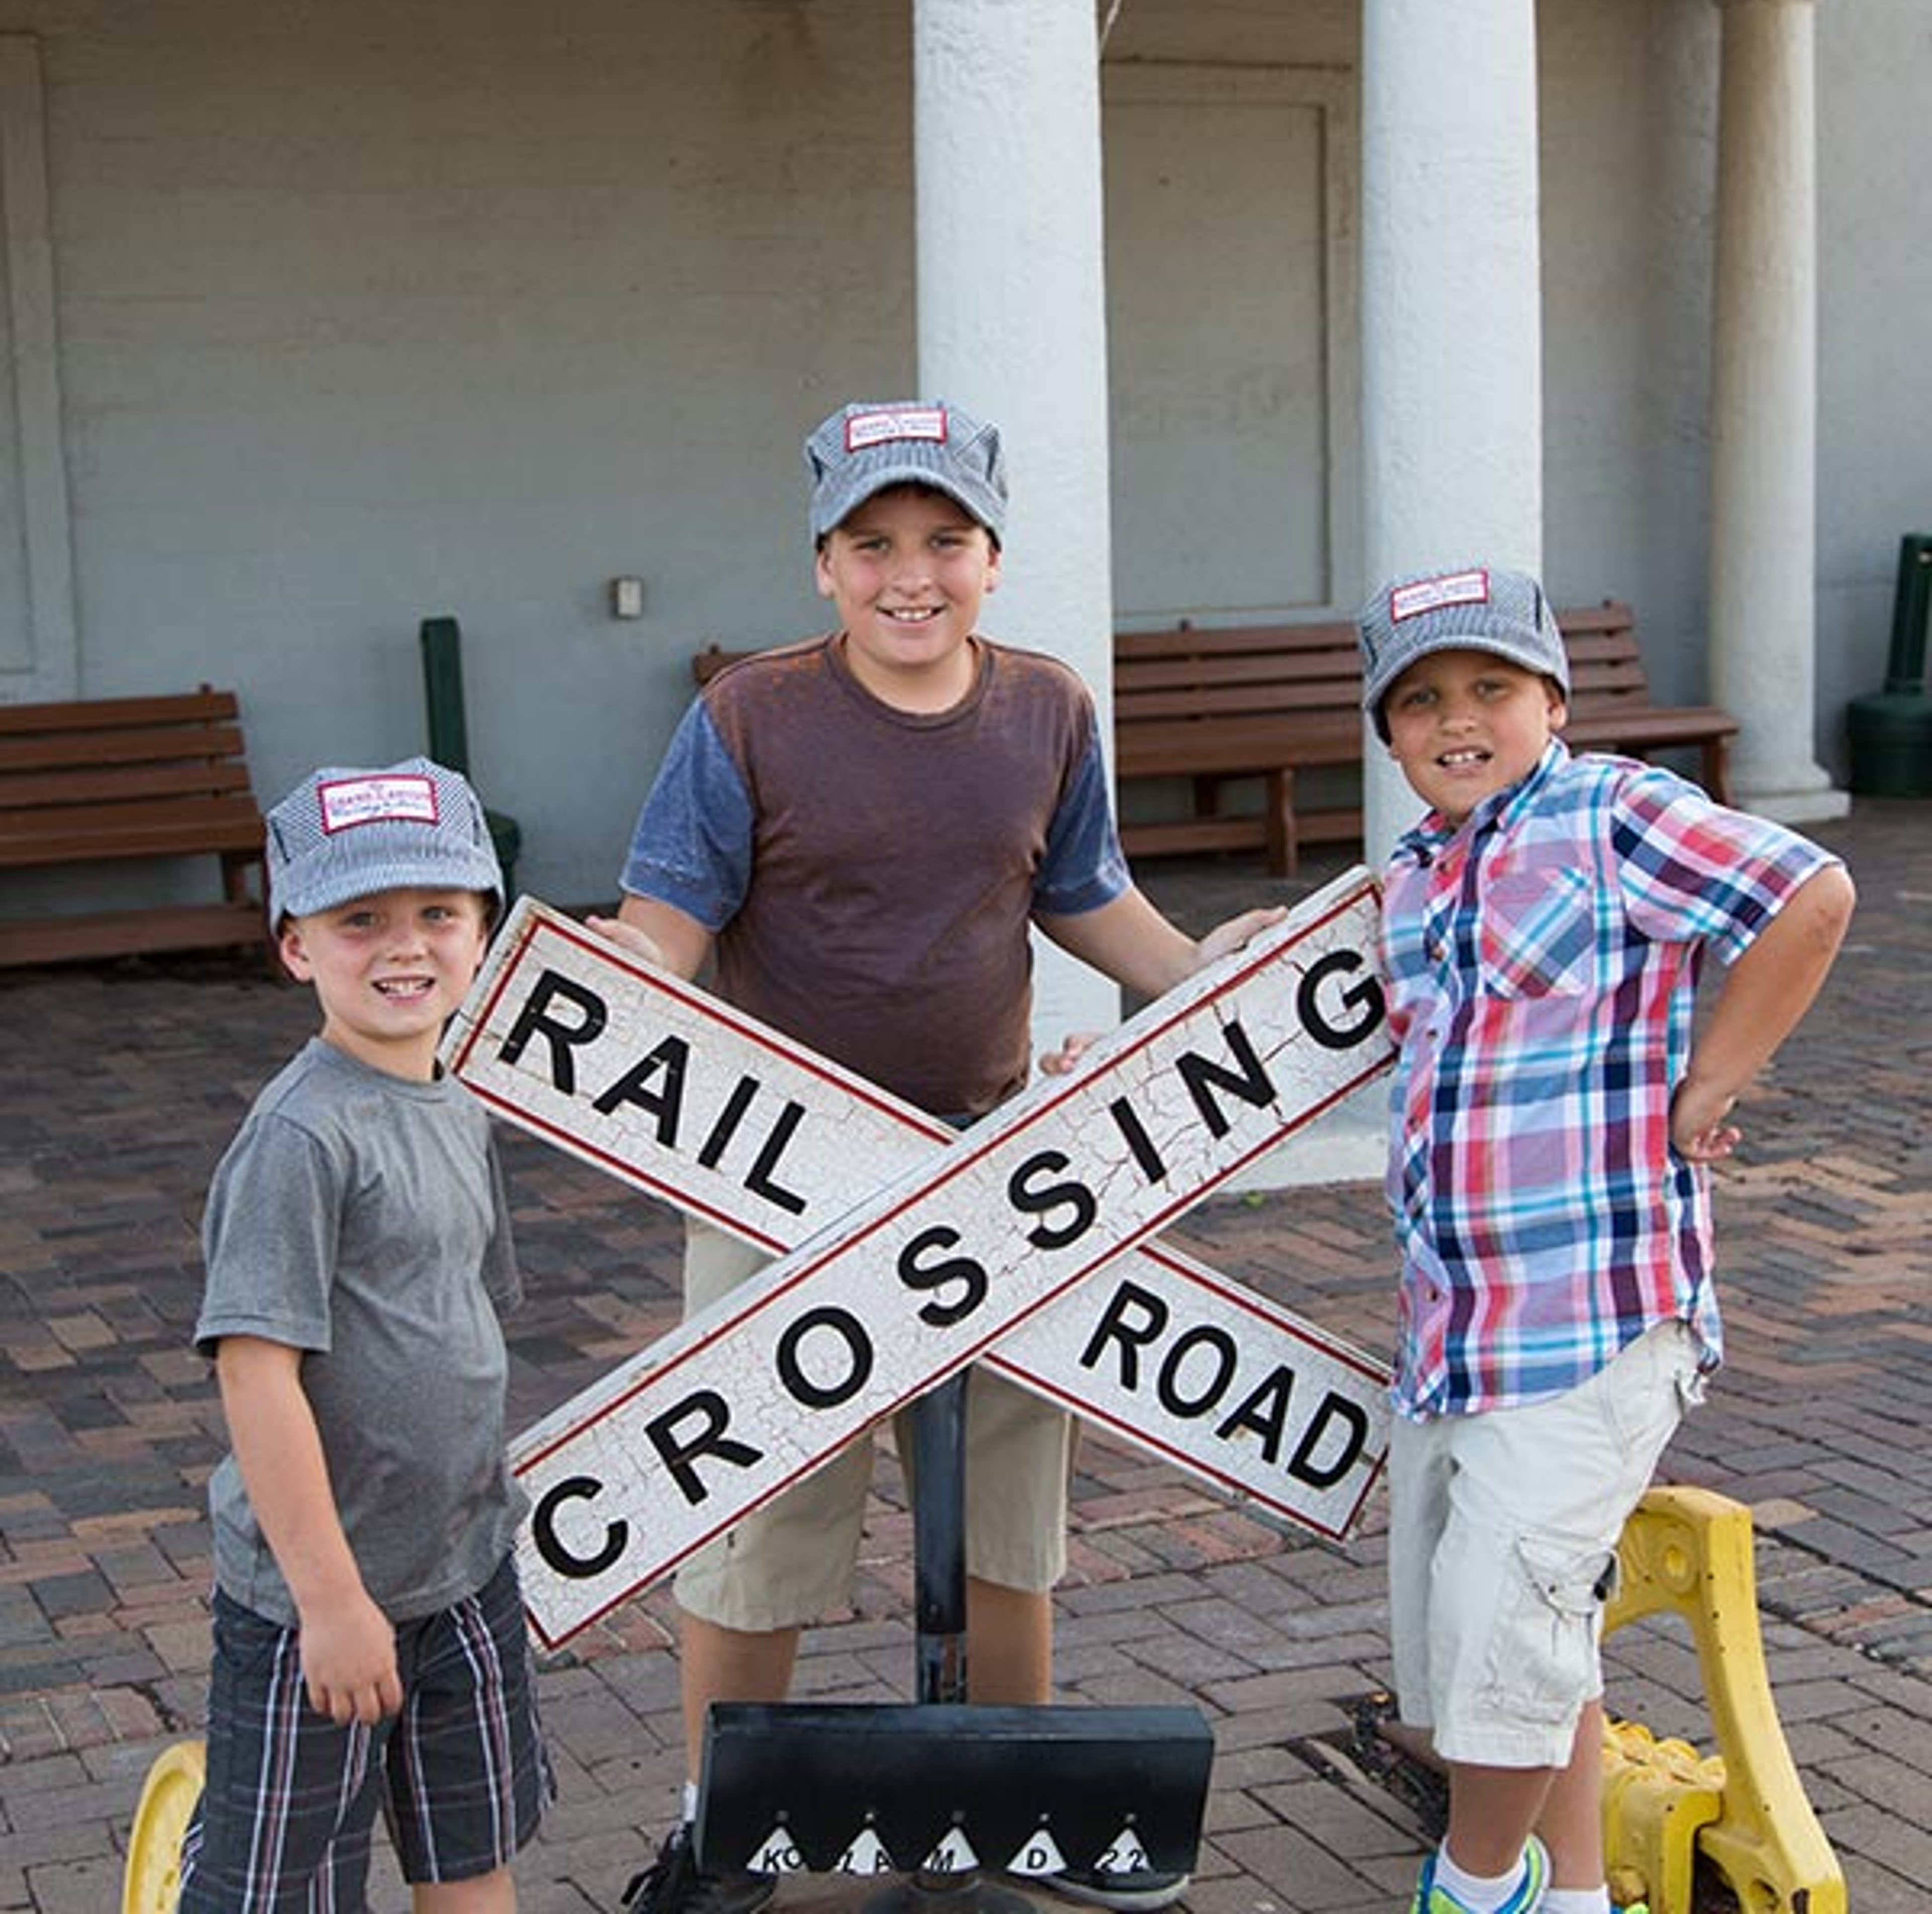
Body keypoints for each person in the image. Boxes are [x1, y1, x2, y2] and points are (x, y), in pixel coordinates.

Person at [602, 398, 1283, 1914]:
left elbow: (1084, 895)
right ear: (824, 566)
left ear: (990, 558)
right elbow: (669, 918)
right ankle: (721, 1828)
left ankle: (1017, 1801)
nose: (911, 574)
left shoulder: (1047, 707)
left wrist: (1203, 978)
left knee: (1003, 1507)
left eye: (944, 542)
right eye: (873, 545)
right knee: (758, 1503)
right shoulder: (746, 718)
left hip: (996, 1175)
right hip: (776, 1176)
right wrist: (619, 985)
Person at [1355, 566, 1856, 1914]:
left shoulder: (1609, 813)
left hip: (1591, 1319)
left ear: (1553, 701)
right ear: (1390, 735)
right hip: (1455, 1333)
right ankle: (1572, 1894)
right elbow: (1287, 985)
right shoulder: (1409, 879)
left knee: (1502, 1640)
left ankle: (1475, 1887)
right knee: (1502, 1635)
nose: (1459, 720)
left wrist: (1711, 1079)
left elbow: (1809, 894)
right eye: (1421, 700)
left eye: (1491, 688)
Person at [178, 757, 552, 1913]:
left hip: (462, 1575)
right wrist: (333, 1604)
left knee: (470, 1854)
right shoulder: (300, 1139)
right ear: (296, 946)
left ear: (483, 929)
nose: (405, 947)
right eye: (360, 921)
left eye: (438, 914)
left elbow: (458, 1327)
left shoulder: (458, 1101)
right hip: (314, 1607)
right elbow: (258, 1379)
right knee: (282, 1891)